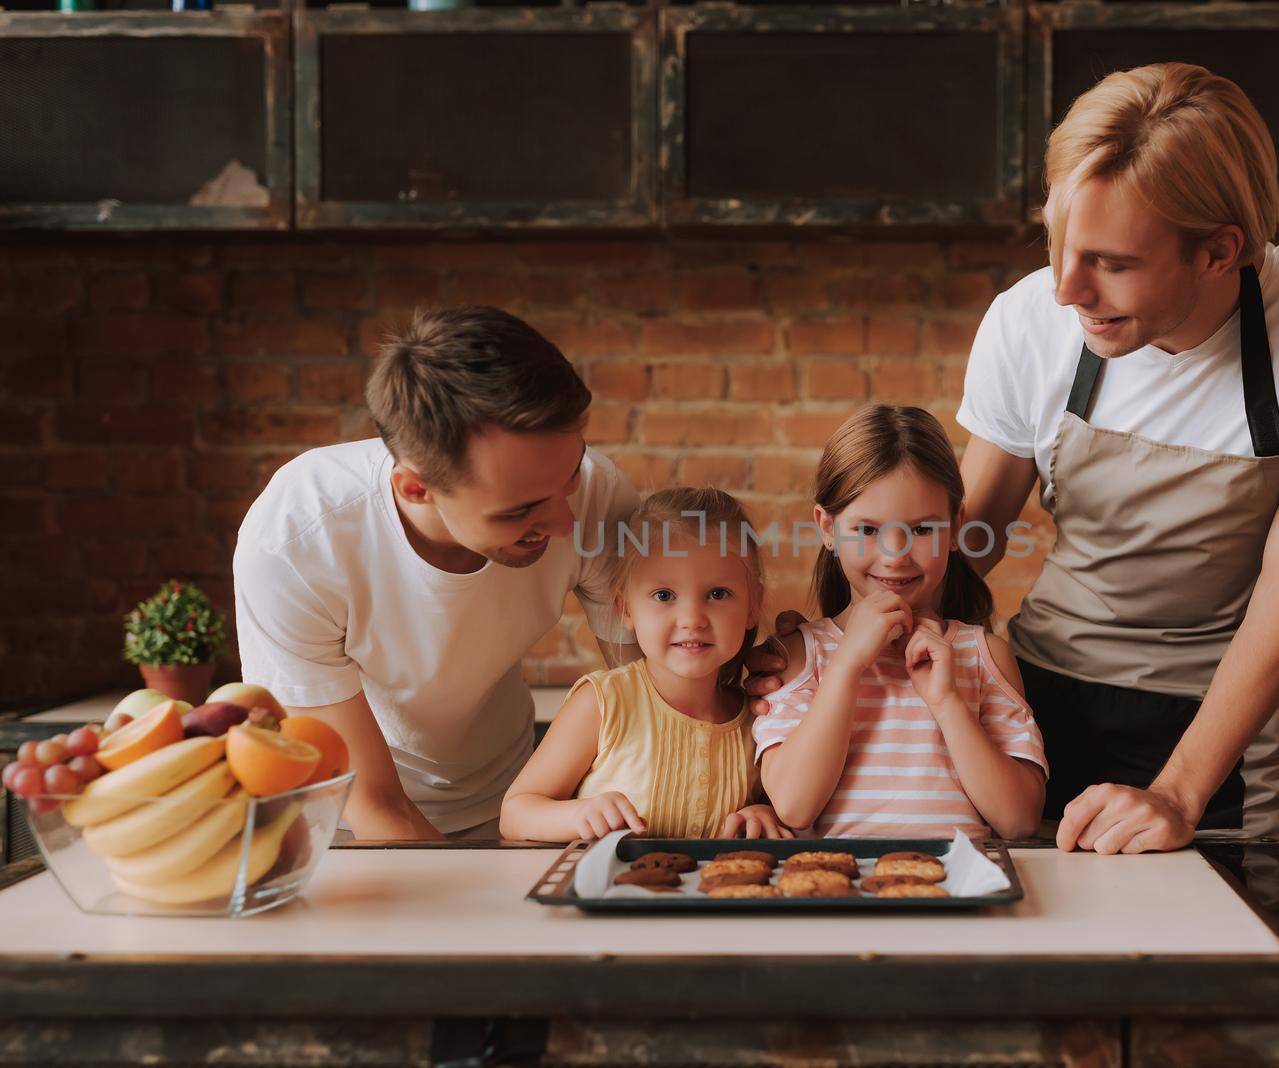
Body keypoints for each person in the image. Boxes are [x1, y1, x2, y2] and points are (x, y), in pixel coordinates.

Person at [954, 63, 1279, 851]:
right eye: (1059, 243)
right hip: (1034, 705)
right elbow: (960, 551)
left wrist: (1177, 791)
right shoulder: (1030, 318)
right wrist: (822, 669)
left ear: (1218, 252)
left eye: (1112, 264)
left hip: (1225, 737)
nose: (1067, 290)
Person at [234, 307, 641, 840]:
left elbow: (660, 696)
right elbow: (376, 805)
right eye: (518, 511)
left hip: (514, 809)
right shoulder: (298, 541)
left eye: (569, 477)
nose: (565, 522)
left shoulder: (594, 492)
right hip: (349, 836)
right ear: (415, 488)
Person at [756, 405, 1047, 840]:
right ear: (828, 527)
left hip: (957, 896)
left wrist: (948, 702)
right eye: (868, 530)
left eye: (923, 529)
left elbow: (1019, 820)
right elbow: (795, 806)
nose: (895, 555)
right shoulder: (802, 654)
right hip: (839, 894)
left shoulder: (984, 655)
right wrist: (847, 668)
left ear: (955, 527)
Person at [500, 487, 790, 842]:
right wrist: (579, 814)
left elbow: (787, 806)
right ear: (624, 608)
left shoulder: (761, 719)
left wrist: (764, 812)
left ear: (752, 605)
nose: (691, 619)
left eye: (717, 594)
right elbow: (516, 812)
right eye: (664, 595)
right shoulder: (603, 703)